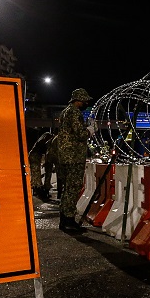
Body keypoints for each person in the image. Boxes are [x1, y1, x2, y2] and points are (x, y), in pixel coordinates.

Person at [56, 87, 95, 232]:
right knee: (73, 188)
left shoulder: (65, 111)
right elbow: (80, 134)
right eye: (85, 100)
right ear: (79, 99)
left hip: (66, 156)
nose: (86, 103)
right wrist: (90, 130)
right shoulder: (74, 112)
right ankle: (68, 221)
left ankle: (64, 220)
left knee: (67, 189)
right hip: (74, 156)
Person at [27, 130, 53, 199]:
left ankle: (36, 190)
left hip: (34, 156)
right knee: (36, 174)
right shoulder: (43, 143)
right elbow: (45, 151)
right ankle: (37, 189)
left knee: (35, 174)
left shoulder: (39, 142)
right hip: (35, 157)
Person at [43, 131, 58, 201]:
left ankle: (46, 191)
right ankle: (60, 192)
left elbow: (46, 144)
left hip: (48, 156)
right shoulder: (58, 138)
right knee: (59, 175)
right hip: (55, 157)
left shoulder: (51, 139)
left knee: (48, 175)